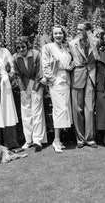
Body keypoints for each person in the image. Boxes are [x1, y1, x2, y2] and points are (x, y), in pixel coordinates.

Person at [41, 25, 74, 153]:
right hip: (56, 82)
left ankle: (59, 139)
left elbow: (70, 62)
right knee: (59, 110)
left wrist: (70, 66)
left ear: (63, 34)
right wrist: (52, 79)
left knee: (65, 109)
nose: (58, 35)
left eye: (60, 33)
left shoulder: (65, 47)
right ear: (52, 35)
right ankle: (56, 140)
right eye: (55, 33)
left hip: (66, 80)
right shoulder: (48, 47)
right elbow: (45, 65)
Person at [13, 36, 47, 152]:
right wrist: (22, 91)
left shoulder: (36, 54)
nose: (21, 49)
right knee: (26, 111)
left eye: (23, 46)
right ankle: (28, 140)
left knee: (37, 111)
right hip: (24, 83)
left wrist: (35, 89)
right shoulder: (15, 57)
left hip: (36, 83)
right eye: (18, 48)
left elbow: (39, 73)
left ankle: (37, 140)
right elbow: (17, 75)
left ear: (27, 45)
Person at [69, 22, 98, 148]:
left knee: (90, 109)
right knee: (77, 109)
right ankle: (80, 139)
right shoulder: (71, 43)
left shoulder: (96, 42)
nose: (78, 31)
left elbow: (98, 57)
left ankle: (90, 138)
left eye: (81, 29)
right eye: (77, 29)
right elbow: (68, 59)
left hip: (91, 77)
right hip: (77, 77)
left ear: (88, 31)